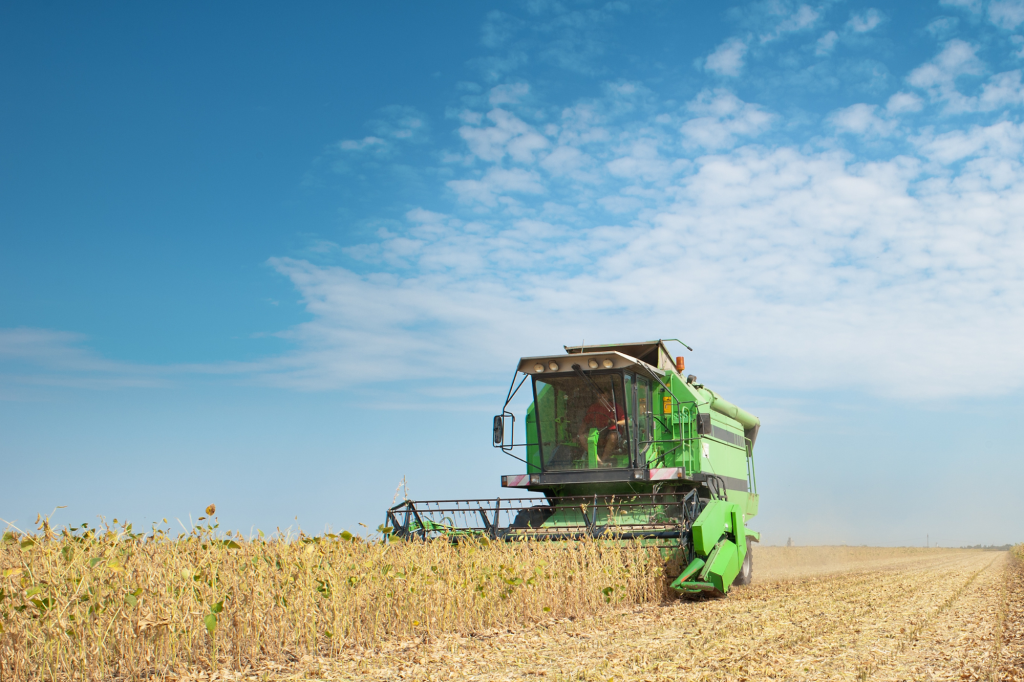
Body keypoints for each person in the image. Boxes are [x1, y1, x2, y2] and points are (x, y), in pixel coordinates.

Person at [576, 388, 626, 464]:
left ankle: (603, 459)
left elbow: (626, 421)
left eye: (604, 397)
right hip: (597, 432)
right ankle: (598, 461)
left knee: (613, 437)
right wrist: (579, 434)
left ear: (608, 397)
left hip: (611, 432)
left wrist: (616, 423)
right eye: (600, 398)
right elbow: (585, 422)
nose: (602, 400)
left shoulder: (615, 407)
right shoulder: (593, 408)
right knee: (582, 437)